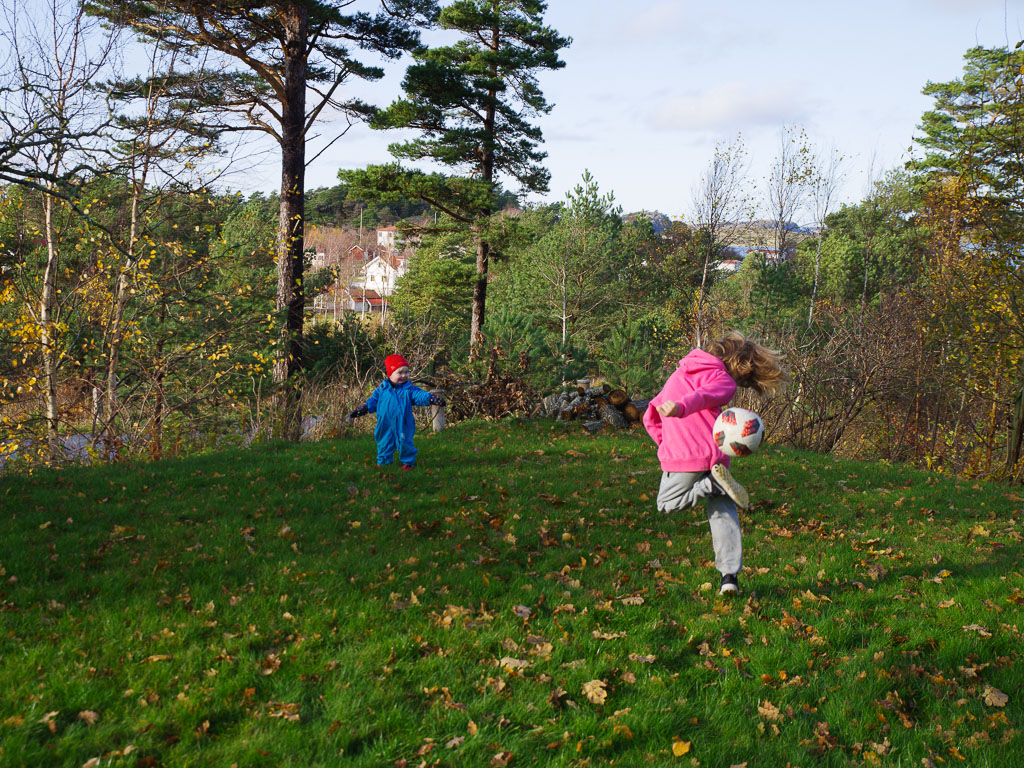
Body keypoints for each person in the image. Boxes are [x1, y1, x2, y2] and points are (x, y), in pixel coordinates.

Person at [643, 331, 788, 595]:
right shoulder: (722, 379)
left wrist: (667, 441)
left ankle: (709, 485)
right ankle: (729, 578)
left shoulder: (679, 374)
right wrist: (682, 407)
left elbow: (650, 415)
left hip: (685, 456)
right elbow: (706, 396)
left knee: (666, 504)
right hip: (717, 456)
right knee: (723, 515)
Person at [346, 354, 443, 470]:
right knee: (384, 442)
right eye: (400, 373)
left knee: (404, 443)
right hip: (385, 423)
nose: (404, 375)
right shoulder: (382, 390)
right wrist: (363, 409)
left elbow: (420, 395)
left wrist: (431, 399)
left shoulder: (409, 389)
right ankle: (383, 462)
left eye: (406, 372)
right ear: (390, 373)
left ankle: (408, 462)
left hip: (403, 423)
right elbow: (373, 402)